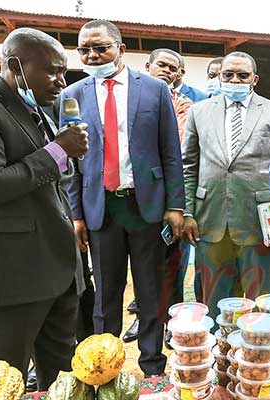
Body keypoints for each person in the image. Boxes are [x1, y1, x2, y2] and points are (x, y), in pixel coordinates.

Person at [0, 28, 87, 388]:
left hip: (57, 269)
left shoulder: (41, 108)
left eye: (63, 72)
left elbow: (45, 181)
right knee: (3, 382)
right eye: (51, 70)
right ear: (14, 66)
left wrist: (64, 153)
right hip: (9, 276)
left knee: (63, 383)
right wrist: (58, 151)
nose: (60, 81)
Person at [60, 19, 184, 377]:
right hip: (101, 206)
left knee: (149, 289)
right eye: (84, 49)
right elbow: (71, 161)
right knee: (106, 292)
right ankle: (105, 363)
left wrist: (175, 206)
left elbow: (170, 152)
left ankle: (152, 364)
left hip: (145, 205)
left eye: (101, 48)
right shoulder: (73, 95)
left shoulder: (155, 90)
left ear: (121, 49)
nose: (92, 55)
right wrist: (77, 215)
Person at [182, 51, 270, 320]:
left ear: (254, 79)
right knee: (217, 303)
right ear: (219, 77)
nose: (234, 80)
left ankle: (260, 358)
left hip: (260, 223)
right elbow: (188, 166)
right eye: (228, 75)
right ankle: (222, 358)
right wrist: (187, 212)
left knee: (262, 303)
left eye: (242, 75)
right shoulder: (199, 111)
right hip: (210, 219)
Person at [119, 48, 198, 344]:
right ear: (148, 66)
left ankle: (173, 322)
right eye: (161, 65)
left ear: (179, 75)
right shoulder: (129, 99)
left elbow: (179, 148)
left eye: (173, 68)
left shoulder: (186, 105)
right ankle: (145, 318)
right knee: (142, 265)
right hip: (137, 198)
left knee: (172, 263)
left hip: (173, 196)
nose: (167, 71)